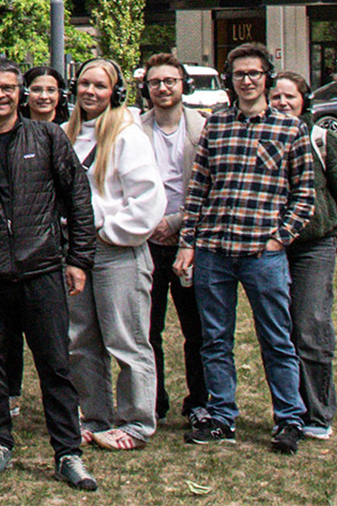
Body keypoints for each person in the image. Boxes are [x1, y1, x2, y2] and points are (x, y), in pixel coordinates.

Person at [0, 58, 98, 491]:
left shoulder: (47, 137)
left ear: (20, 93)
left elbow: (78, 198)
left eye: (7, 88)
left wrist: (79, 259)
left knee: (55, 365)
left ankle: (68, 452)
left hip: (40, 268)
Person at [174, 42, 316, 455]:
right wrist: (189, 242)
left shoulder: (290, 129)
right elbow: (199, 188)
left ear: (266, 77)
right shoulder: (215, 125)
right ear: (229, 80)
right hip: (214, 251)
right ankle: (222, 416)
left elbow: (304, 195)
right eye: (239, 74)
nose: (247, 80)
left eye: (254, 73)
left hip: (262, 255)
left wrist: (280, 237)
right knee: (215, 340)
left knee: (277, 340)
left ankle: (289, 419)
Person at [64, 58, 166, 450]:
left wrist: (108, 230)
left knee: (126, 339)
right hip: (75, 250)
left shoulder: (127, 134)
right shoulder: (66, 133)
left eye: (100, 86)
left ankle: (136, 423)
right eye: (84, 84)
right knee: (80, 340)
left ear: (115, 92)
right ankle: (95, 416)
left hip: (116, 250)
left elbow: (147, 199)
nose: (90, 91)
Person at [267, 71, 337, 441]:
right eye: (276, 97)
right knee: (280, 331)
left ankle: (318, 414)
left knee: (310, 327)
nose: (282, 103)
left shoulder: (321, 140)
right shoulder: (263, 136)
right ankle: (290, 411)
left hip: (314, 246)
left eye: (289, 96)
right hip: (272, 247)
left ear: (304, 100)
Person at [138, 52, 209, 427]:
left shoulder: (204, 127)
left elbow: (214, 186)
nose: (162, 88)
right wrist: (152, 223)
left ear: (184, 85)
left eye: (170, 81)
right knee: (148, 330)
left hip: (191, 241)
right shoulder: (135, 129)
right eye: (155, 82)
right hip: (147, 240)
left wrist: (178, 222)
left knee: (197, 329)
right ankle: (153, 401)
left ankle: (200, 401)